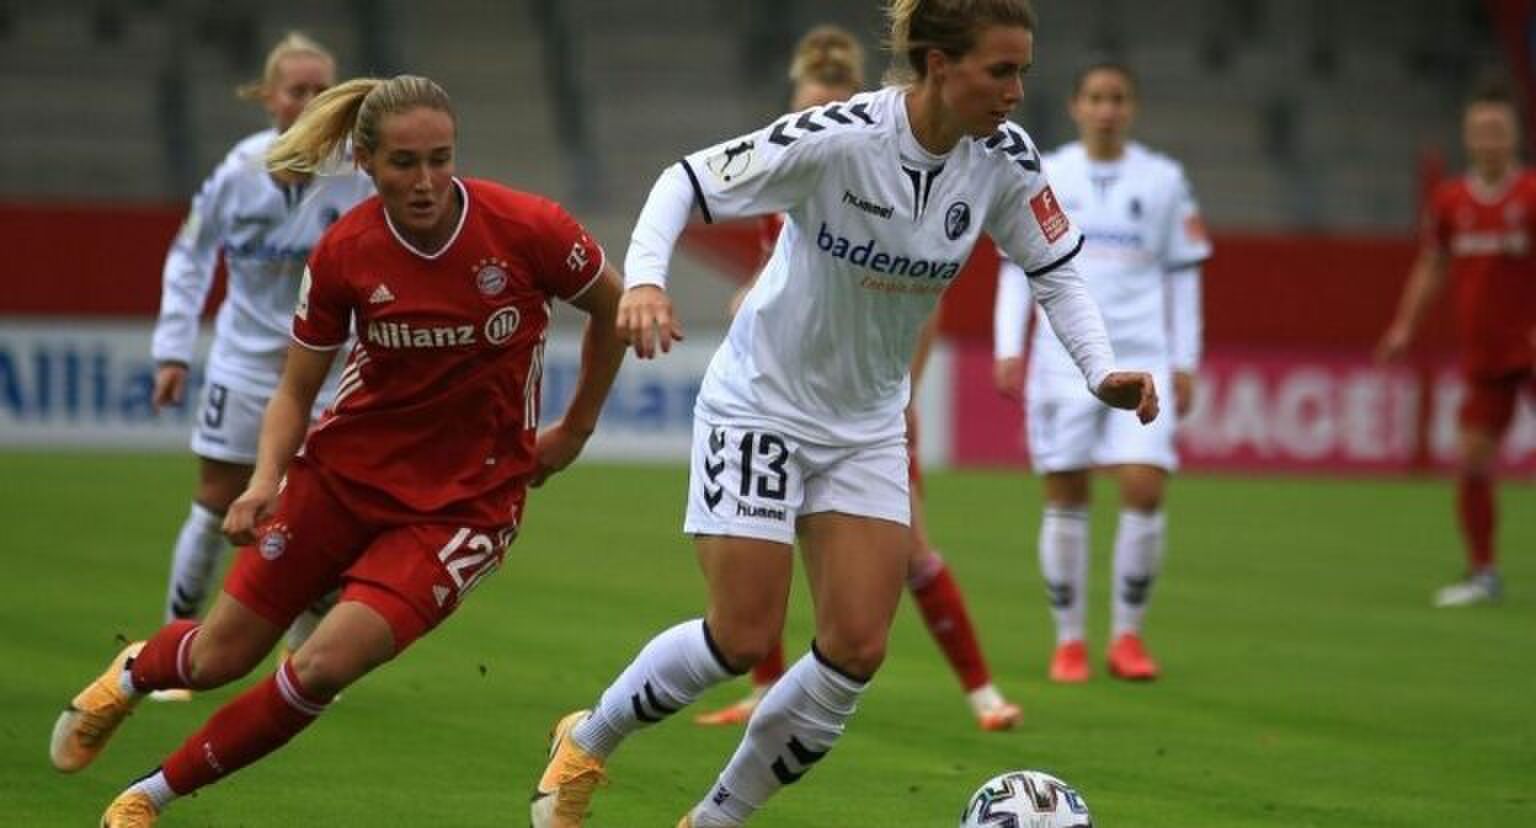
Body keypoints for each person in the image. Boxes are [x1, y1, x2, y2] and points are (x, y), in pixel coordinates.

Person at [530, 1, 1158, 825]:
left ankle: (714, 821)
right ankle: (587, 741)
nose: (1015, 92)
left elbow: (1057, 271)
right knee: (741, 636)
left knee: (857, 647)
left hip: (866, 423)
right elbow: (682, 183)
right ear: (938, 64)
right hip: (762, 402)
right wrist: (645, 279)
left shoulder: (1006, 159)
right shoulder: (840, 137)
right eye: (999, 71)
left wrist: (1100, 369)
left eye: (1022, 73)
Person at [49, 73, 627, 828]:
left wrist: (575, 430)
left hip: (464, 507)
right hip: (342, 481)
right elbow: (295, 391)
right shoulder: (346, 251)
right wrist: (262, 483)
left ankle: (145, 799)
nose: (425, 182)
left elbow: (615, 310)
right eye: (403, 164)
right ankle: (130, 675)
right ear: (365, 163)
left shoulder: (529, 228)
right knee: (218, 657)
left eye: (440, 159)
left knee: (320, 665)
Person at [697, 23, 1022, 733]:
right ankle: (765, 687)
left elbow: (916, 304)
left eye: (826, 103)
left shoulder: (875, 169)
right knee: (763, 537)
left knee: (909, 553)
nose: (808, 120)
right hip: (791, 395)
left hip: (869, 405)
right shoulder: (785, 184)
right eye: (802, 106)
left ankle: (982, 690)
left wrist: (905, 394)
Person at [147, 33, 373, 703]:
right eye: (296, 89)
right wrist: (171, 348)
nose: (308, 102)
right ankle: (174, 643)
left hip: (329, 372)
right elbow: (190, 255)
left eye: (320, 90)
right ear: (269, 96)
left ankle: (305, 647)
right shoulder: (237, 172)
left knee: (328, 508)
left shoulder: (358, 175)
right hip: (243, 366)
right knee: (217, 501)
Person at [993, 60, 1210, 683]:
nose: (1107, 108)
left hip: (1144, 353)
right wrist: (1010, 345)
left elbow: (1183, 273)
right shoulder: (1048, 173)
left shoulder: (1165, 179)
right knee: (1066, 493)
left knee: (1144, 487)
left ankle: (1127, 636)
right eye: (1096, 97)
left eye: (1118, 97)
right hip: (1062, 359)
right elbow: (1017, 266)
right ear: (1075, 106)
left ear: (1132, 107)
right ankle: (1068, 642)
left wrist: (1186, 360)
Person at [1378, 82, 1536, 607]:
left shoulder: (1532, 195)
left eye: (1499, 130)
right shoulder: (1450, 202)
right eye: (1480, 131)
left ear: (1514, 135)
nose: (1490, 140)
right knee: (1471, 459)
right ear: (1468, 137)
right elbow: (1431, 266)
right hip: (1485, 352)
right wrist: (1404, 326)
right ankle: (1483, 572)